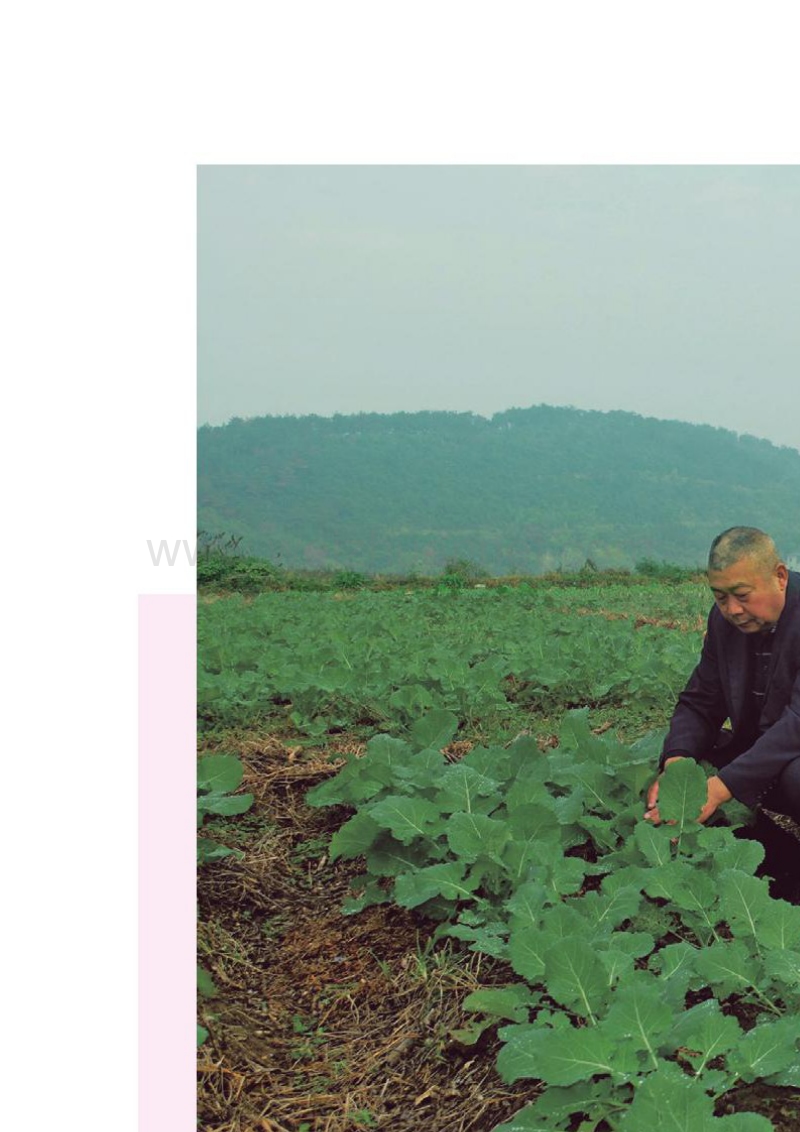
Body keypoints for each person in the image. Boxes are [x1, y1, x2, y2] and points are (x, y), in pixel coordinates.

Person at [644, 527, 800, 898]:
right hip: (764, 748)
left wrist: (722, 788)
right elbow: (700, 700)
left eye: (742, 596)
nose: (732, 610)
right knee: (689, 757)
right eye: (720, 597)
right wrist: (678, 764)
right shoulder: (724, 624)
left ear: (779, 576)